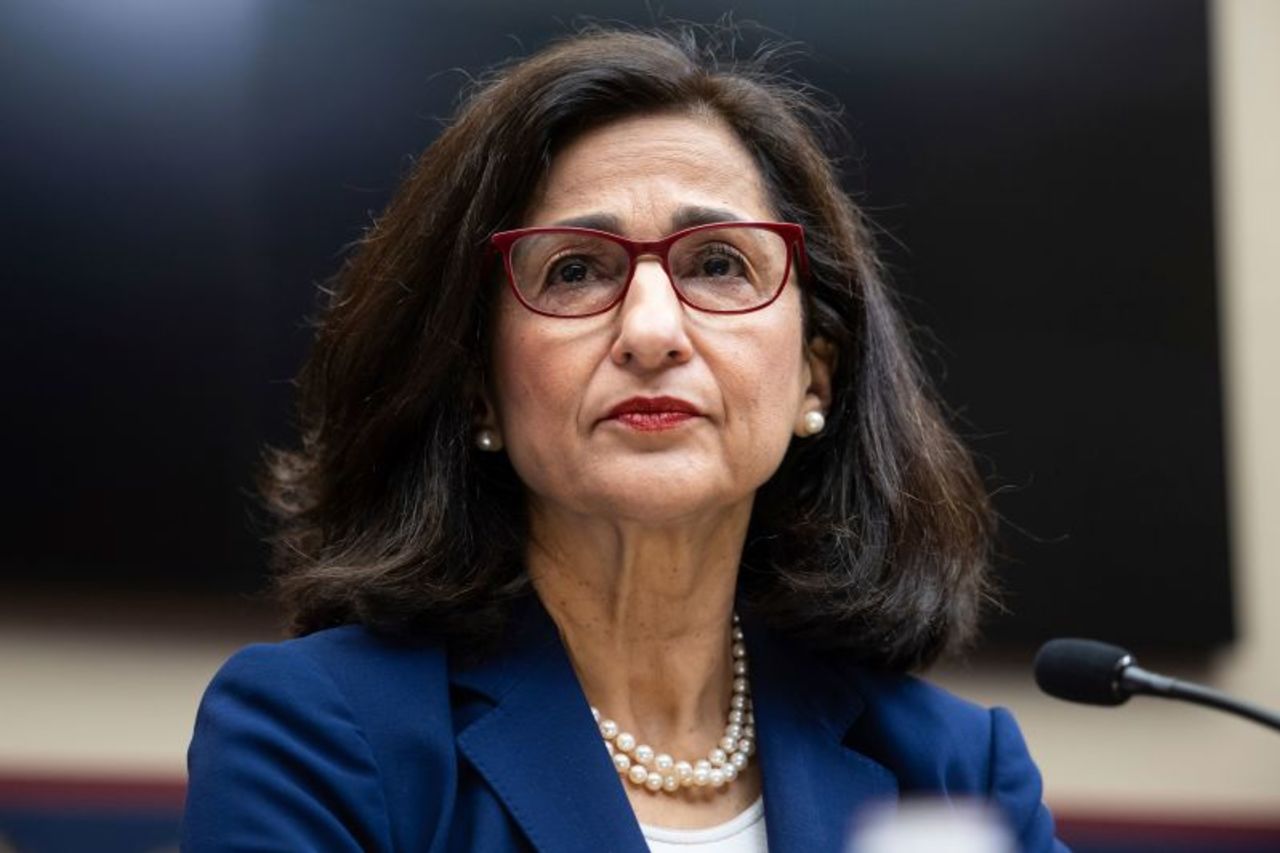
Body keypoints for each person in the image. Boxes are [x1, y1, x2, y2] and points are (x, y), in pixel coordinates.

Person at [183, 26, 1067, 853]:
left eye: (719, 263)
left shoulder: (956, 772)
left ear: (814, 378)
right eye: (575, 271)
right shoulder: (318, 733)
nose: (652, 330)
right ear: (479, 389)